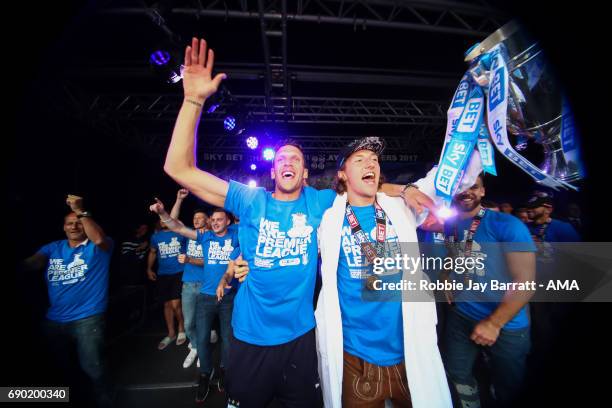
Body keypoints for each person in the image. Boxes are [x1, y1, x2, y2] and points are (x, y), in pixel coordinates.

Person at [162, 37, 437, 407]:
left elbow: (358, 184)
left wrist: (402, 189)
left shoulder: (321, 202)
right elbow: (178, 168)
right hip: (250, 337)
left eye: (295, 158)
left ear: (305, 173)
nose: (287, 162)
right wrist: (193, 100)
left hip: (302, 339)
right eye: (280, 159)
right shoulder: (250, 199)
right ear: (273, 170)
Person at [315, 137, 452, 408]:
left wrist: (480, 113)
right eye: (360, 160)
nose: (371, 164)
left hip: (410, 353)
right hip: (356, 359)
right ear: (342, 173)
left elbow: (449, 173)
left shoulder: (401, 207)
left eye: (375, 160)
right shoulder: (328, 218)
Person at [441, 175, 536, 407]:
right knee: (456, 373)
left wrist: (494, 324)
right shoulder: (450, 224)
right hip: (463, 314)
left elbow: (525, 282)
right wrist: (445, 278)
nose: (467, 192)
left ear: (483, 192)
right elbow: (454, 257)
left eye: (473, 187)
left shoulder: (507, 225)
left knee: (509, 387)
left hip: (507, 325)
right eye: (461, 187)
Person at [22, 195, 114, 407]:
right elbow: (33, 263)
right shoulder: (53, 247)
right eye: (69, 223)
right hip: (53, 320)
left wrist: (80, 210)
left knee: (93, 367)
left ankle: (106, 400)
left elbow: (99, 239)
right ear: (63, 227)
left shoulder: (99, 247)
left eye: (79, 222)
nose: (74, 226)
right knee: (58, 367)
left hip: (88, 318)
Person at [147, 196, 187, 350]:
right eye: (161, 218)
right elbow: (152, 253)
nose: (163, 220)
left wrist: (177, 201)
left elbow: (175, 221)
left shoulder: (180, 233)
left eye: (166, 217)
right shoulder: (156, 237)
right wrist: (149, 269)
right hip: (163, 274)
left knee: (176, 304)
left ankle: (181, 329)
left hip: (179, 272)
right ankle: (171, 333)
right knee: (167, 305)